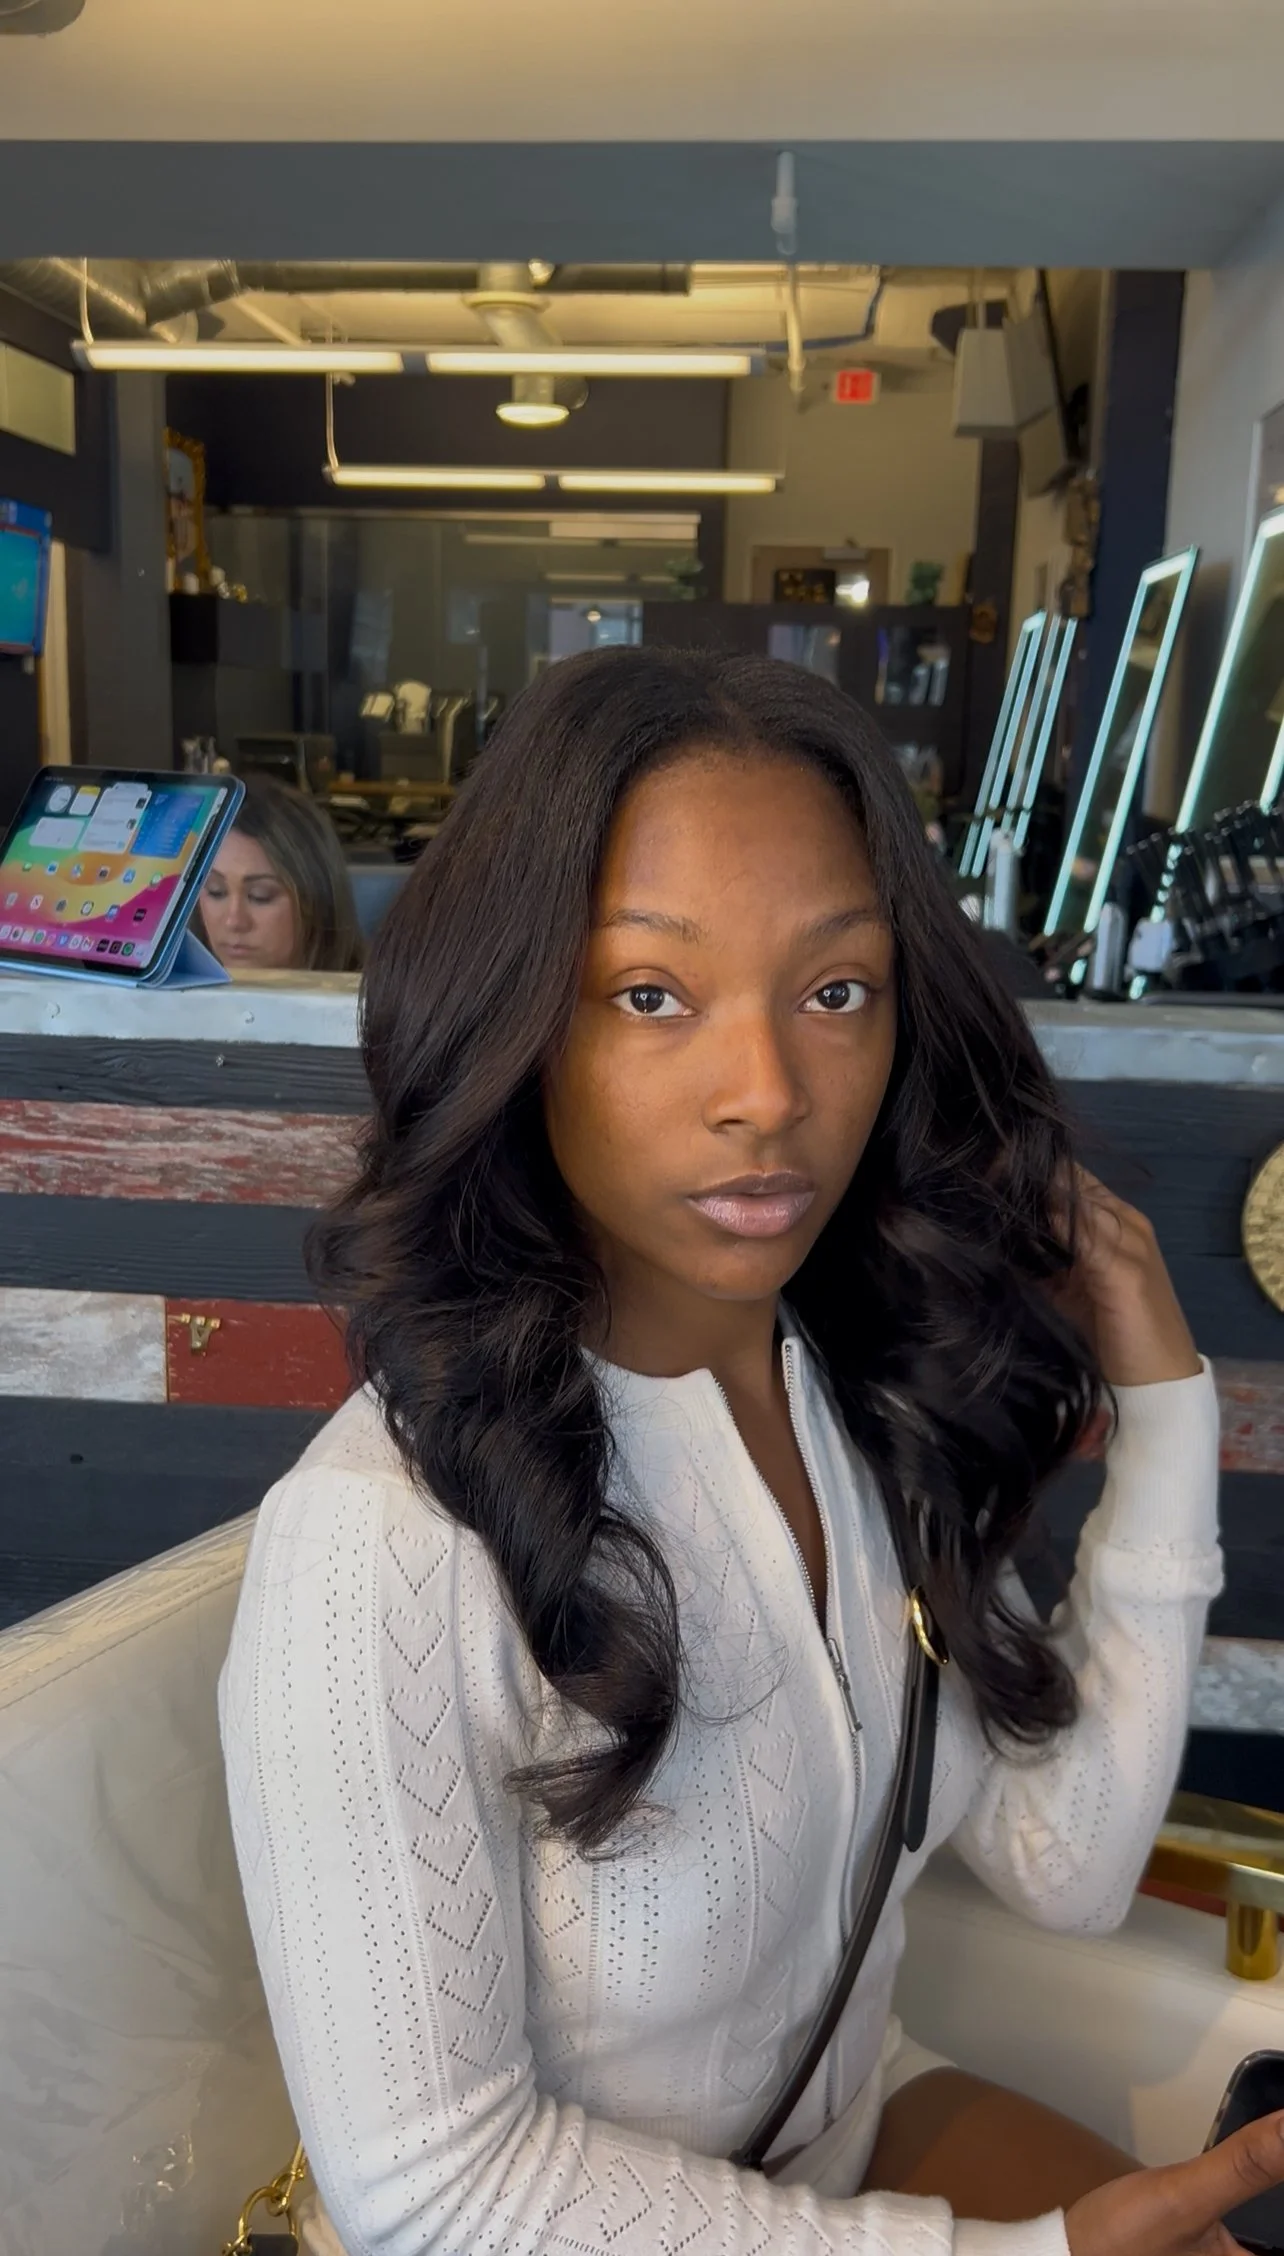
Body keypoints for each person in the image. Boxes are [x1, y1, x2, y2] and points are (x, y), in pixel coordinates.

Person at [220, 648, 1277, 2256]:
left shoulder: (847, 1398)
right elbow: (428, 2189)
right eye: (652, 996)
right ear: (516, 1018)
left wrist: (1171, 1402)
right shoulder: (380, 1546)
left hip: (837, 2137)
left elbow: (1065, 1869)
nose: (769, 1095)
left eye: (834, 990)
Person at [197, 773, 365, 973]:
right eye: (216, 891)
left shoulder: (372, 1001)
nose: (234, 921)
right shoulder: (166, 1000)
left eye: (261, 896)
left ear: (316, 900)